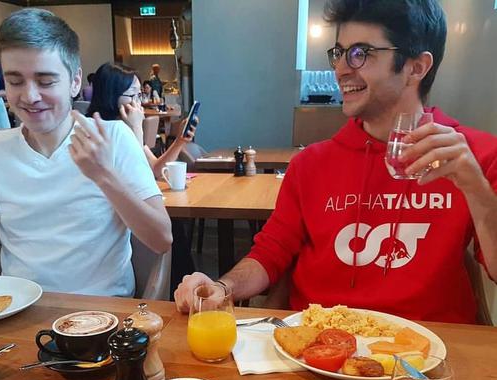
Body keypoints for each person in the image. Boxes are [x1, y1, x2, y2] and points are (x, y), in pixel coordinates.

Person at [175, 0, 497, 324]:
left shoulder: (474, 157)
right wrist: (222, 287)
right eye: (339, 53)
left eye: (360, 53)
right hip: (317, 343)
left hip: (431, 349)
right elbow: (271, 252)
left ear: (416, 67)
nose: (341, 69)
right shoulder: (311, 164)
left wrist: (477, 191)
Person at [0, 9, 171, 296]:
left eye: (45, 81)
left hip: (103, 312)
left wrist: (104, 176)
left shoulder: (113, 138)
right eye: (15, 81)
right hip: (22, 309)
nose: (30, 96)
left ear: (75, 81)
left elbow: (161, 239)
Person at [88, 62, 197, 178]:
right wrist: (136, 129)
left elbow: (155, 169)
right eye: (132, 94)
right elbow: (140, 178)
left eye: (139, 95)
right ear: (110, 96)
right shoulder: (94, 133)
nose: (138, 102)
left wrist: (180, 141)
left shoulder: (127, 125)